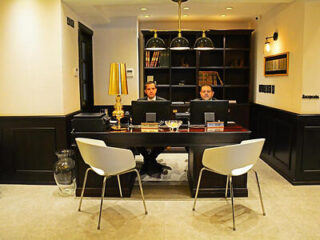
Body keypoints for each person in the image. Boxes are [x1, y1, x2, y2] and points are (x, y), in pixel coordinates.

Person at [136, 82, 170, 177]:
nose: (151, 91)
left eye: (153, 89)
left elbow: (166, 119)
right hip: (144, 130)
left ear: (156, 90)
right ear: (145, 91)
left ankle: (148, 160)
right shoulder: (140, 102)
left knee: (165, 140)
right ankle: (151, 161)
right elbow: (137, 118)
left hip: (158, 130)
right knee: (135, 140)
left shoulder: (163, 102)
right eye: (148, 89)